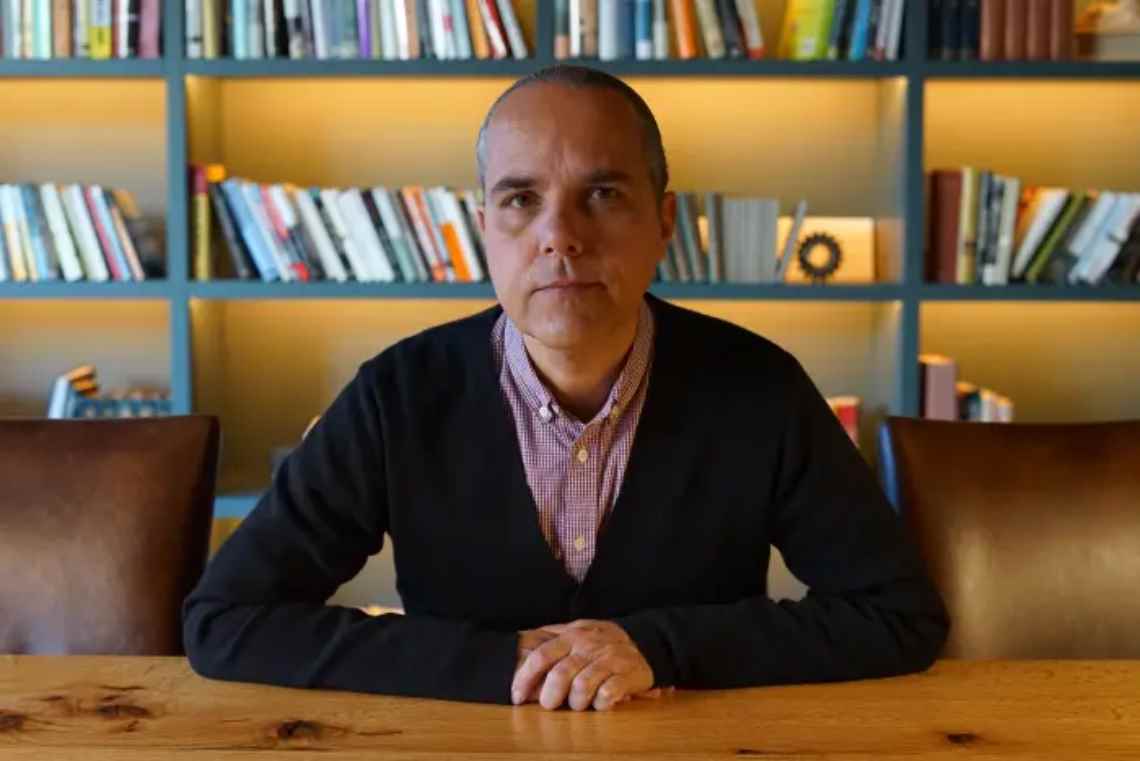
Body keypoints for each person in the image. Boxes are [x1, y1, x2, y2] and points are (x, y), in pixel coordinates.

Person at [183, 64, 949, 712]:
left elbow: (898, 614)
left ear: (665, 222)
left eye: (603, 194)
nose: (560, 236)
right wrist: (503, 662)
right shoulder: (398, 397)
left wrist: (661, 646)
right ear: (484, 227)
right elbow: (224, 619)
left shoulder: (760, 390)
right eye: (521, 200)